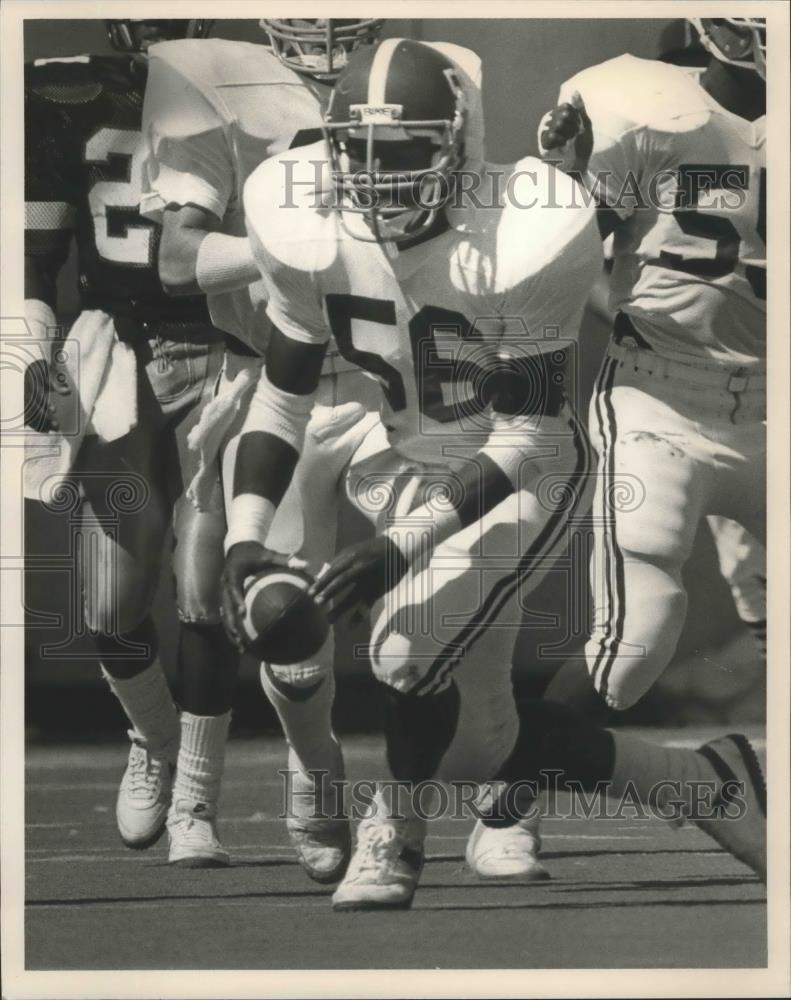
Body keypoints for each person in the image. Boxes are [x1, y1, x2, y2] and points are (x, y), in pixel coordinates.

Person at [220, 36, 612, 908]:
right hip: (404, 458)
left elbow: (529, 434)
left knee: (403, 656)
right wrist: (247, 537)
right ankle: (687, 777)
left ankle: (393, 833)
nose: (372, 178)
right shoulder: (300, 211)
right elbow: (280, 397)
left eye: (399, 155)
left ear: (456, 148)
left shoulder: (529, 224)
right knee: (479, 737)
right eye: (353, 155)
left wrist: (399, 546)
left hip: (524, 467)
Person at [140, 17, 386, 877]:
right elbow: (176, 260)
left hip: (395, 384)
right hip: (280, 374)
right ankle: (315, 769)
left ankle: (496, 812)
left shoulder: (414, 80)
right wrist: (292, 251)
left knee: (441, 618)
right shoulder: (218, 89)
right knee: (283, 620)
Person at [23, 19, 232, 865]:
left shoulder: (245, 93)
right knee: (108, 605)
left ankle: (196, 799)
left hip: (230, 345)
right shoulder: (65, 96)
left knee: (205, 585)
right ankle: (153, 739)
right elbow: (38, 255)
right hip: (122, 348)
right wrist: (36, 350)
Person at [537, 16, 766, 710]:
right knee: (634, 642)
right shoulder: (638, 111)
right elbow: (555, 266)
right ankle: (506, 812)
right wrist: (561, 189)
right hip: (662, 398)